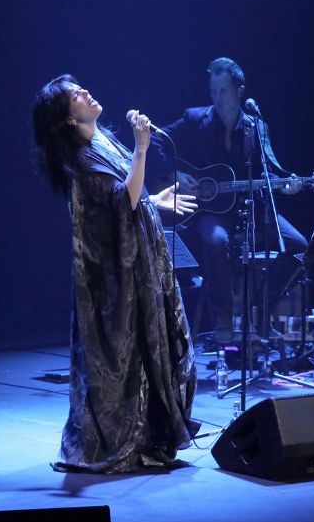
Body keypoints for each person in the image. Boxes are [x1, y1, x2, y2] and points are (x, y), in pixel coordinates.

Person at [32, 74, 199, 473]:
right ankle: (129, 437)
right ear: (69, 118)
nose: (86, 93)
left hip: (144, 259)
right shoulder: (82, 159)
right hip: (117, 277)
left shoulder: (101, 141)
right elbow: (121, 202)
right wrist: (142, 148)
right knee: (128, 353)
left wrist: (154, 200)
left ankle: (154, 432)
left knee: (159, 342)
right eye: (76, 95)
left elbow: (128, 194)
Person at [149, 57, 309, 342]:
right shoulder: (195, 118)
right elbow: (156, 138)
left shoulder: (256, 126)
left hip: (250, 208)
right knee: (217, 241)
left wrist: (287, 184)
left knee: (298, 247)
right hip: (209, 209)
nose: (218, 97)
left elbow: (269, 171)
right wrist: (177, 173)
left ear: (240, 90)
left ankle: (258, 310)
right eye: (213, 91)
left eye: (223, 90)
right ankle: (224, 318)